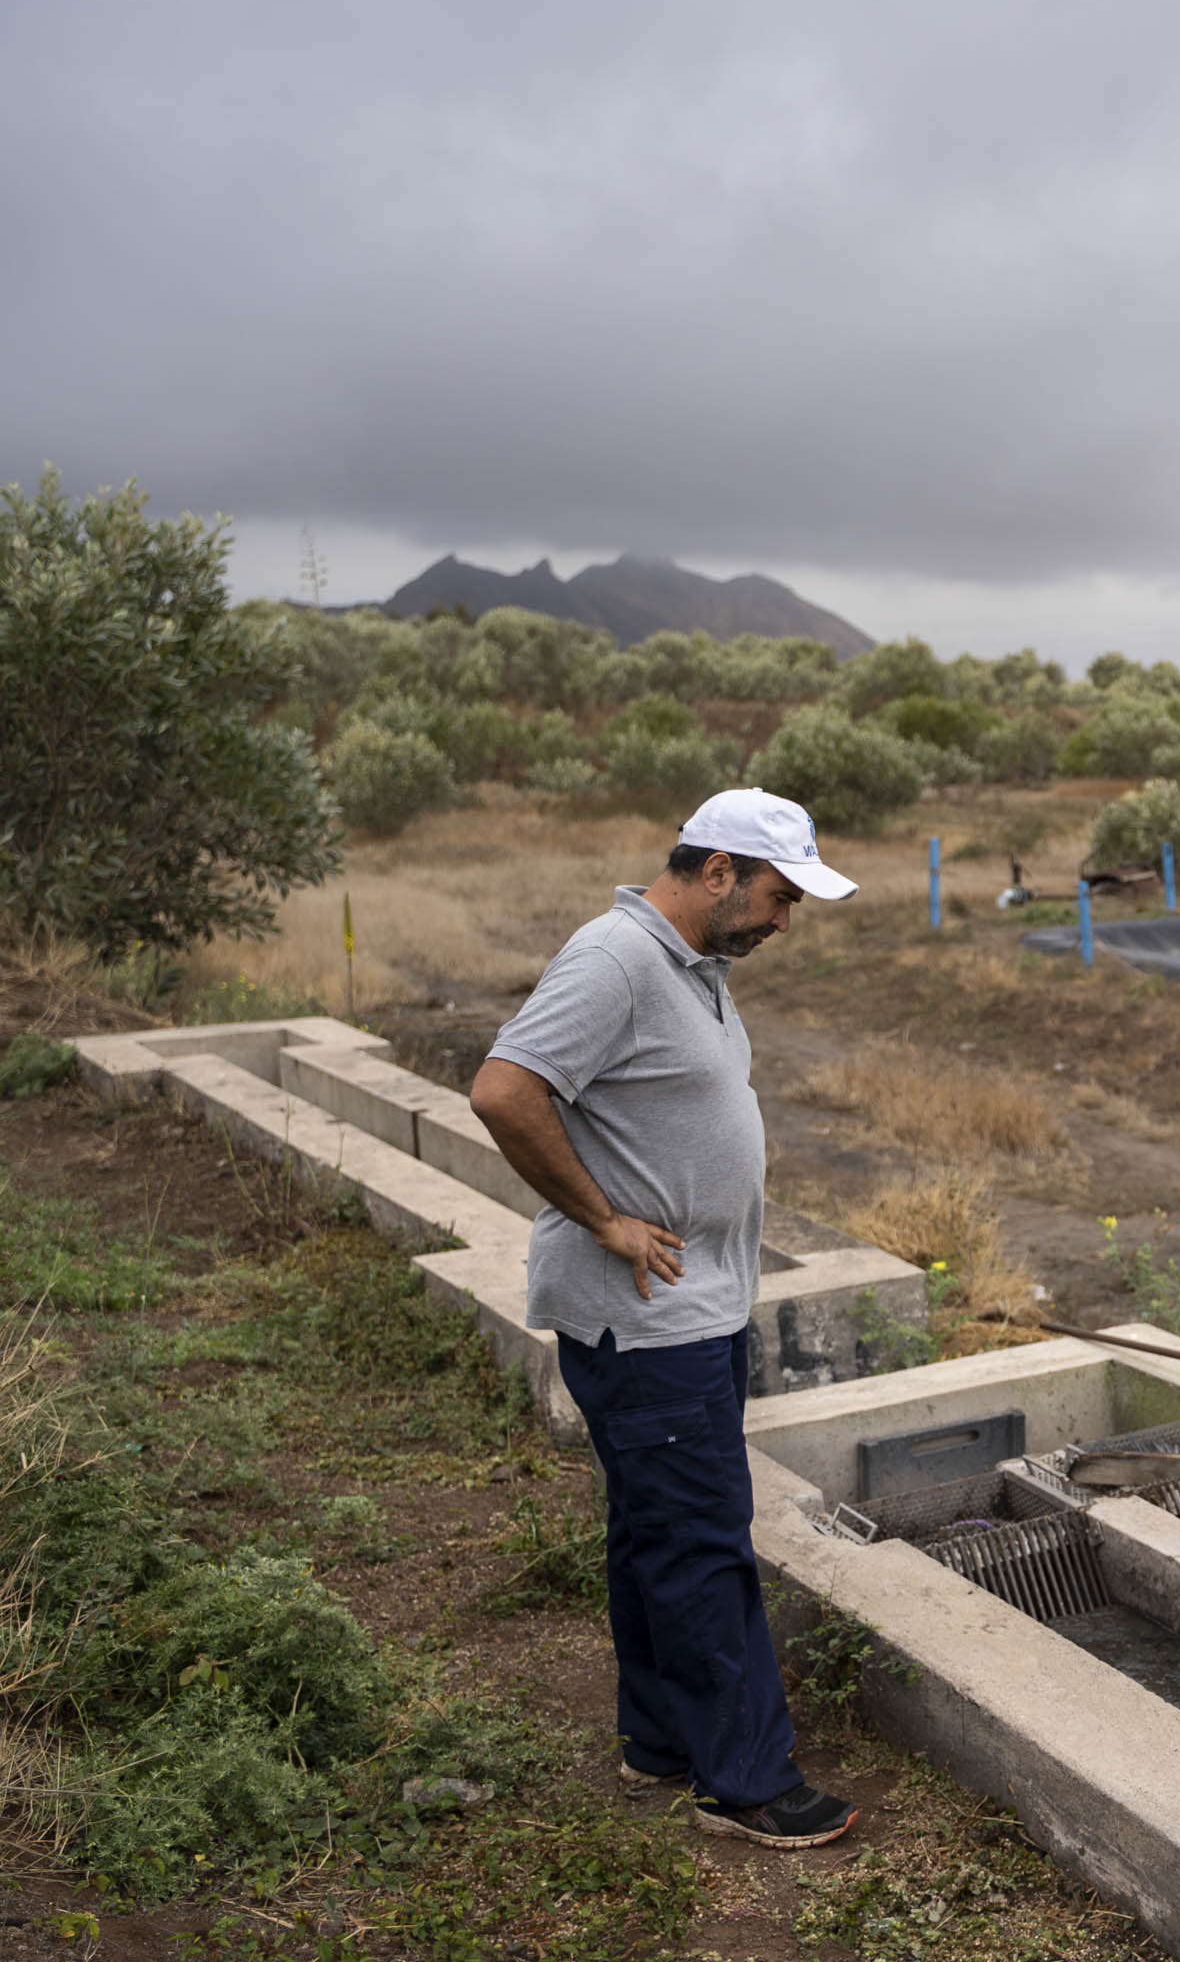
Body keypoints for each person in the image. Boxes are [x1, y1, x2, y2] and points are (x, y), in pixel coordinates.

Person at [469, 788, 863, 1848]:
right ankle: (745, 1780)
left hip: (690, 1311)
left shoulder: (693, 967)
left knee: (654, 1527)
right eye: (781, 896)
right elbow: (505, 1090)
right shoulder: (615, 959)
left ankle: (660, 1736)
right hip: (650, 1319)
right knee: (700, 1543)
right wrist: (602, 1216)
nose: (786, 922)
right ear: (720, 867)